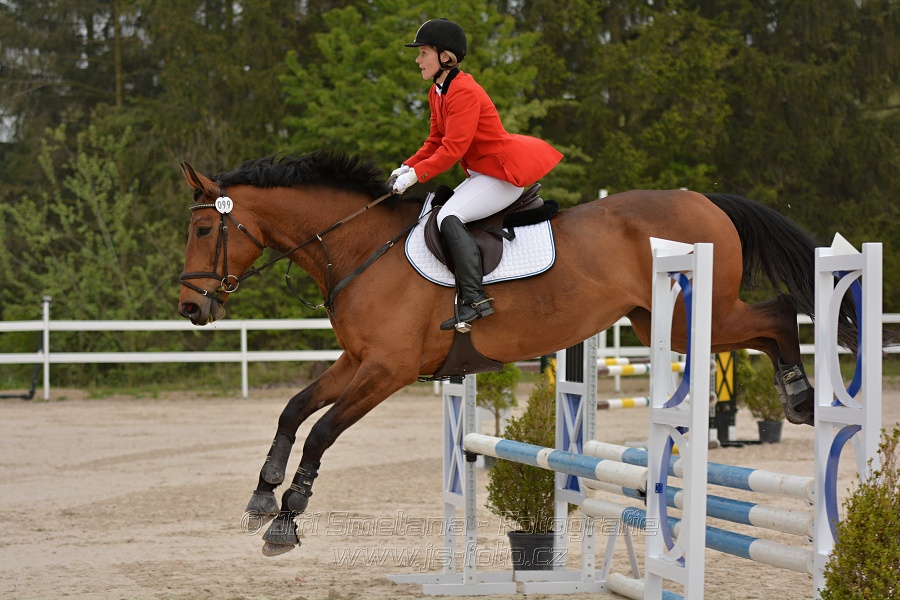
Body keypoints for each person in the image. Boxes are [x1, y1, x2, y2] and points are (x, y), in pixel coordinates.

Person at [391, 17, 563, 332]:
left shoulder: (464, 91)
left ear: (446, 56)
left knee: (448, 217)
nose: (418, 60)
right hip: (482, 174)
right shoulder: (438, 91)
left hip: (501, 175)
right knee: (439, 211)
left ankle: (474, 299)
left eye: (424, 53)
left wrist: (416, 176)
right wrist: (406, 166)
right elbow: (434, 142)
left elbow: (453, 149)